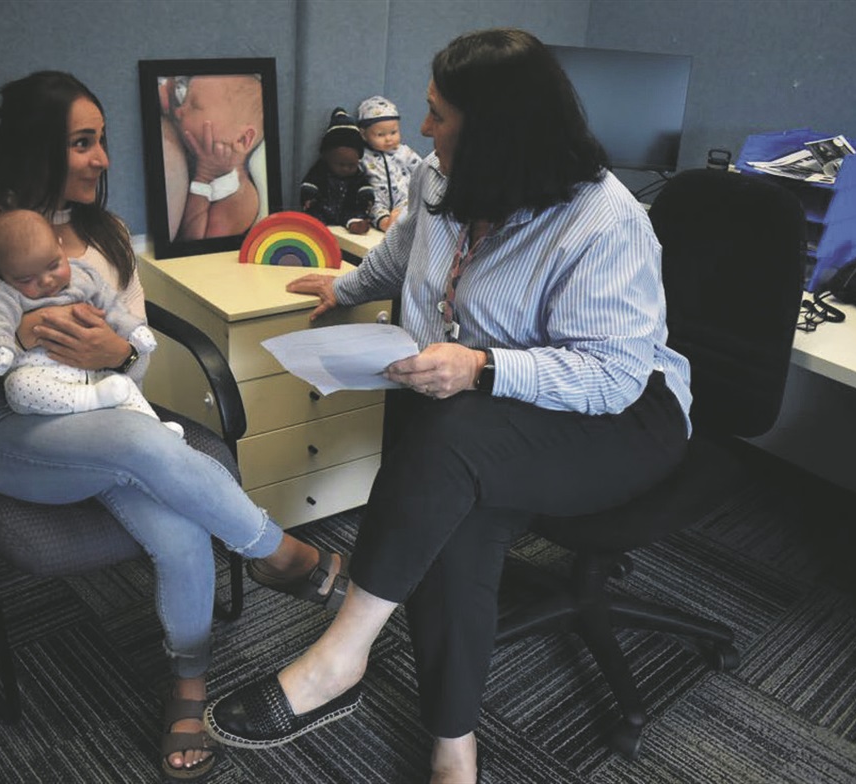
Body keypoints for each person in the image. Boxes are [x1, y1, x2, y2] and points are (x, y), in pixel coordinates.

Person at [202, 29, 693, 784]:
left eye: (438, 114)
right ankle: (453, 744)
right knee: (459, 508)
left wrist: (481, 366)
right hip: (490, 412)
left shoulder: (606, 223)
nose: (422, 129)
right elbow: (405, 249)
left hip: (619, 416)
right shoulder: (443, 174)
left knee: (452, 448)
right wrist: (347, 287)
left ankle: (339, 656)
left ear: (497, 132)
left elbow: (613, 376)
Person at [0, 70, 347, 781]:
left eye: (102, 141)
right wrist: (25, 328)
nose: (103, 159)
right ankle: (273, 551)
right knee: (153, 448)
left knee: (176, 517)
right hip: (5, 424)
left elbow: (133, 348)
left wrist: (116, 351)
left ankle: (188, 684)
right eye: (83, 143)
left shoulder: (105, 235)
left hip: (110, 407)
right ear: (35, 145)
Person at [0, 209, 183, 433]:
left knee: (123, 386)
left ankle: (155, 428)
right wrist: (0, 346)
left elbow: (112, 306)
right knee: (18, 386)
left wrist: (131, 335)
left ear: (60, 244)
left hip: (94, 373)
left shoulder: (82, 275)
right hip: (42, 374)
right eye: (26, 279)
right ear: (0, 272)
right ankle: (91, 399)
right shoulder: (1, 290)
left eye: (54, 265)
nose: (47, 281)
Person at [160, 74, 266, 243]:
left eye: (195, 106)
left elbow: (195, 242)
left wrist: (204, 177)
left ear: (241, 140)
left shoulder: (237, 198)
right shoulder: (201, 154)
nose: (179, 111)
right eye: (184, 100)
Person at [299, 108, 376, 234]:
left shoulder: (357, 174)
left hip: (348, 207)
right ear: (327, 157)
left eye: (351, 165)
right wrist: (309, 197)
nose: (346, 168)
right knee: (314, 215)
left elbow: (364, 185)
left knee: (355, 214)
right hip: (324, 207)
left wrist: (366, 198)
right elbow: (310, 183)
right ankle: (315, 224)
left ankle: (355, 224)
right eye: (340, 164)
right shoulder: (321, 170)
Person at [356, 95, 423, 233]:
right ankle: (386, 224)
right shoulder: (363, 157)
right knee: (374, 209)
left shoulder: (404, 152)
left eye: (393, 132)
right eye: (380, 135)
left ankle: (404, 223)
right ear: (363, 134)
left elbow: (421, 169)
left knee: (410, 205)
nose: (389, 139)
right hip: (377, 198)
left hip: (404, 196)